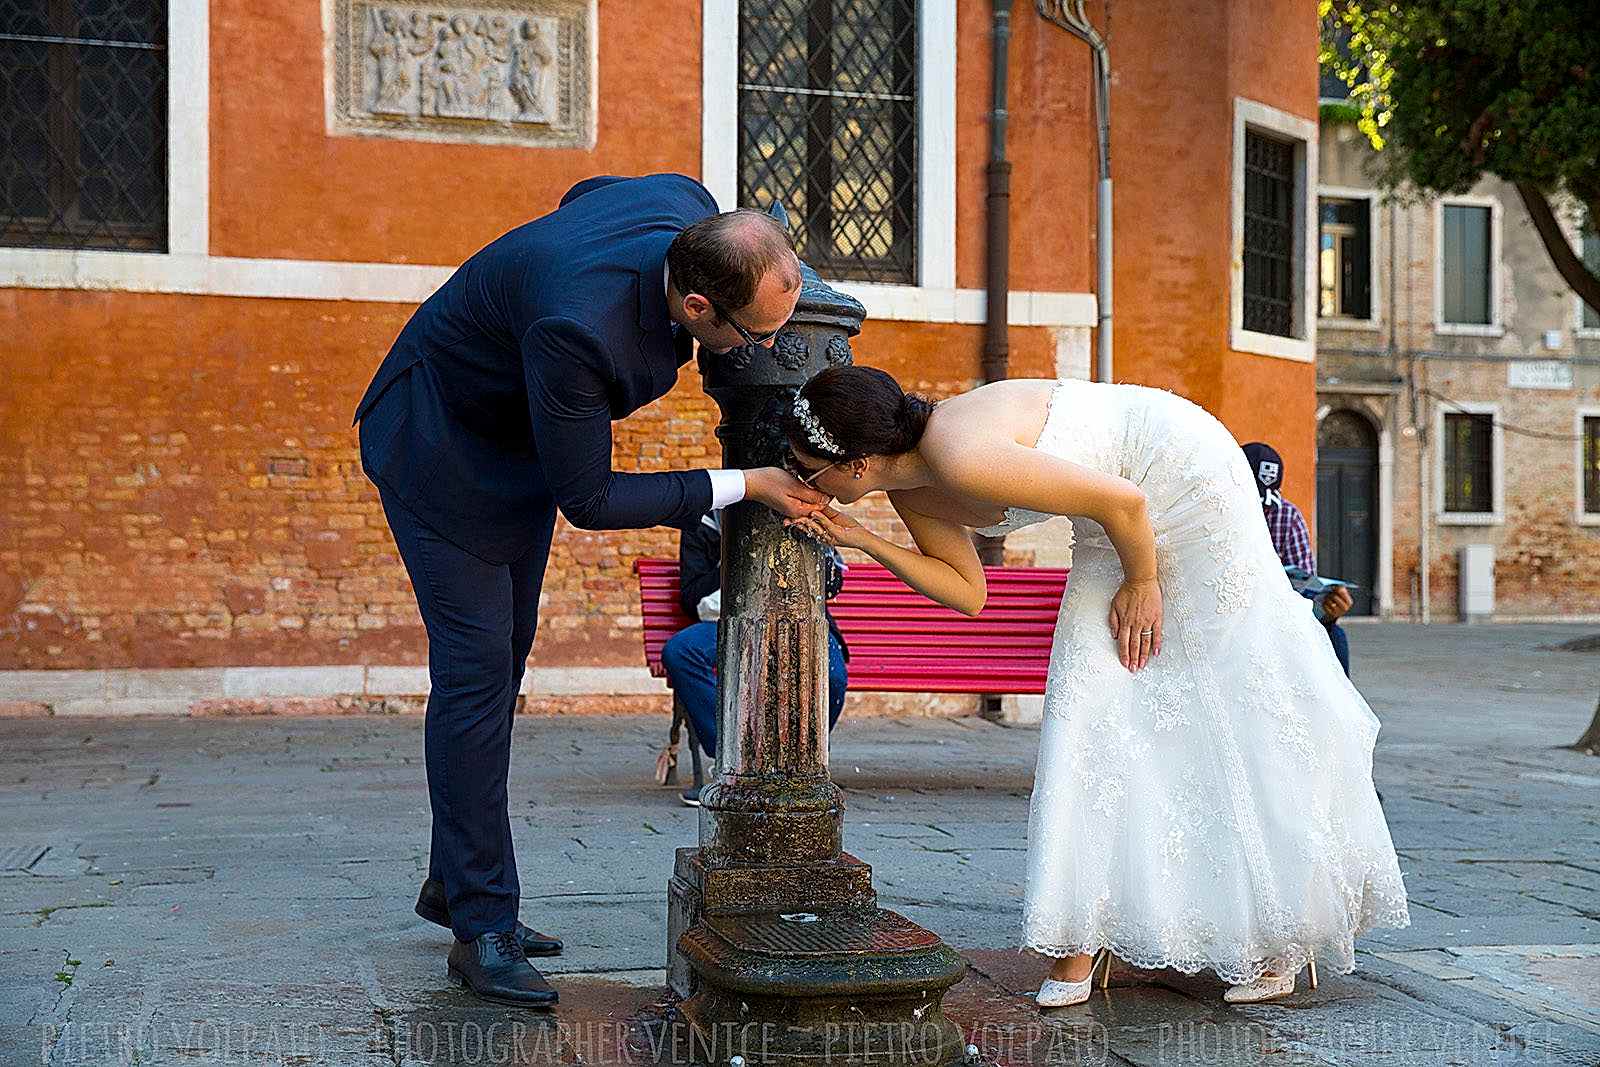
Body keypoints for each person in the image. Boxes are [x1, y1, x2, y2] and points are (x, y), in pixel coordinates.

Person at [782, 367, 1408, 1007]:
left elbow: (1125, 503)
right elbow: (968, 592)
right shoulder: (910, 489)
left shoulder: (959, 453)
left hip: (1181, 478)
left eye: (809, 469)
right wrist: (858, 539)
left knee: (1227, 689)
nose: (804, 481)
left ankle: (1280, 936)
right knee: (1093, 700)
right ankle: (1081, 939)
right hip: (1114, 514)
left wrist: (1143, 583)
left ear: (856, 465)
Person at [353, 175, 827, 1008]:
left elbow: (587, 191)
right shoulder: (579, 330)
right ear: (695, 306)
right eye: (752, 336)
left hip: (521, 448)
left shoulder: (686, 204)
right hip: (441, 452)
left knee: (503, 665)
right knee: (475, 682)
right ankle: (482, 928)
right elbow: (593, 500)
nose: (758, 353)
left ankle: (457, 882)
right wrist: (743, 482)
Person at [662, 509, 850, 806]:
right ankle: (730, 757)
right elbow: (691, 595)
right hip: (726, 619)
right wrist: (738, 552)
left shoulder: (802, 512)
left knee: (832, 674)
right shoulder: (704, 520)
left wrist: (812, 545)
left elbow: (832, 584)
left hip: (799, 617)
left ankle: (798, 762)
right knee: (681, 652)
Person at [1240, 443, 1353, 676]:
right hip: (1230, 618)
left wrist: (1328, 613)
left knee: (1334, 636)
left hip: (1276, 616)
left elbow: (1306, 591)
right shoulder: (1211, 516)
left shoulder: (1286, 516)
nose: (1261, 513)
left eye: (1265, 505)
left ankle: (1331, 712)